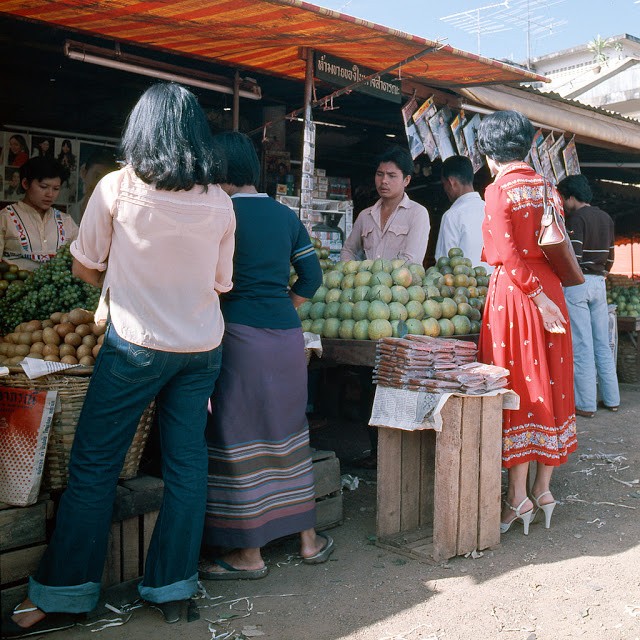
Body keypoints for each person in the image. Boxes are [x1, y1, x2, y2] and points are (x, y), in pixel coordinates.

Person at [3, 83, 236, 637]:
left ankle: (62, 595)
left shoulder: (117, 187)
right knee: (187, 466)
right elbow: (221, 283)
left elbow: (84, 266)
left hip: (134, 347)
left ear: (141, 130)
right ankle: (175, 587)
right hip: (201, 349)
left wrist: (127, 278)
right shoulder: (219, 200)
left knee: (93, 467)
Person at [198, 132, 332, 581]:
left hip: (239, 338)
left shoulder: (218, 214)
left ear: (219, 173)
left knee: (241, 439)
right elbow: (311, 276)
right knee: (288, 435)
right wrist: (284, 305)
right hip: (287, 341)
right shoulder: (284, 215)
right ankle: (308, 542)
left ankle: (249, 555)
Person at [476, 110, 577, 536]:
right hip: (552, 290)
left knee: (518, 386)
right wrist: (547, 299)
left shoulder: (498, 189)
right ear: (526, 145)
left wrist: (534, 298)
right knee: (551, 382)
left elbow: (508, 254)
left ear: (489, 153)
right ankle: (543, 490)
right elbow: (551, 244)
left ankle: (516, 499)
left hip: (517, 297)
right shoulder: (547, 186)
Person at [556, 174, 620, 417]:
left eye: (564, 198)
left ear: (571, 196)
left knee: (582, 344)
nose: (563, 203)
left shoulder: (576, 218)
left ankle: (586, 405)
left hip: (577, 284)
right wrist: (600, 273)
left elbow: (574, 258)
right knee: (602, 343)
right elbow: (611, 257)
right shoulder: (605, 218)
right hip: (599, 283)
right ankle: (612, 399)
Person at [341, 146, 430, 264]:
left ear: (406, 180)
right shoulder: (365, 215)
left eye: (391, 175)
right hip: (367, 282)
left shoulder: (417, 213)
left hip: (401, 282)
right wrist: (353, 272)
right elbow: (348, 250)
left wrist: (383, 276)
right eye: (379, 174)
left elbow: (412, 260)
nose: (384, 181)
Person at [0, 157, 78, 271]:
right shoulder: (5, 218)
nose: (50, 194)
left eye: (56, 188)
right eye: (43, 187)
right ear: (25, 184)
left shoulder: (66, 221)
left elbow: (82, 258)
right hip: (15, 286)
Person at [435, 155, 491, 271]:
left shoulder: (452, 215)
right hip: (494, 283)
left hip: (465, 286)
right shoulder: (490, 209)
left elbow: (444, 263)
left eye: (444, 184)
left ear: (451, 182)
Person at [68, 148, 118, 224]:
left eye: (106, 179)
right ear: (84, 173)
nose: (100, 184)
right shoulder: (71, 212)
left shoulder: (114, 218)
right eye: (97, 176)